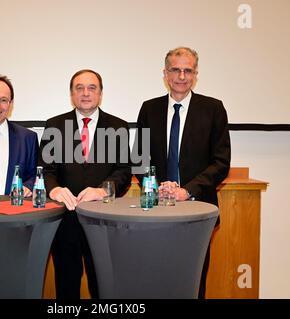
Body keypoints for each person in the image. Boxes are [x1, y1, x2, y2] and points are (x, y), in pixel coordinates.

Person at [135, 47, 231, 298]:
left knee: (193, 278)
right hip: (154, 208)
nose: (181, 76)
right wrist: (154, 187)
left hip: (197, 208)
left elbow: (221, 162)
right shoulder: (149, 109)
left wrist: (186, 190)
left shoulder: (213, 109)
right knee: (155, 276)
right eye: (175, 70)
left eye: (188, 70)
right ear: (165, 74)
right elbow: (139, 159)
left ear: (196, 74)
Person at [38, 69, 132, 299]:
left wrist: (103, 190)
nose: (86, 93)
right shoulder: (55, 125)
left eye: (92, 88)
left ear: (100, 94)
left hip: (104, 221)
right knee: (66, 287)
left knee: (103, 286)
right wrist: (55, 189)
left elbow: (124, 171)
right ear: (72, 94)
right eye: (79, 88)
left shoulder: (118, 126)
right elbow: (46, 170)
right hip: (65, 221)